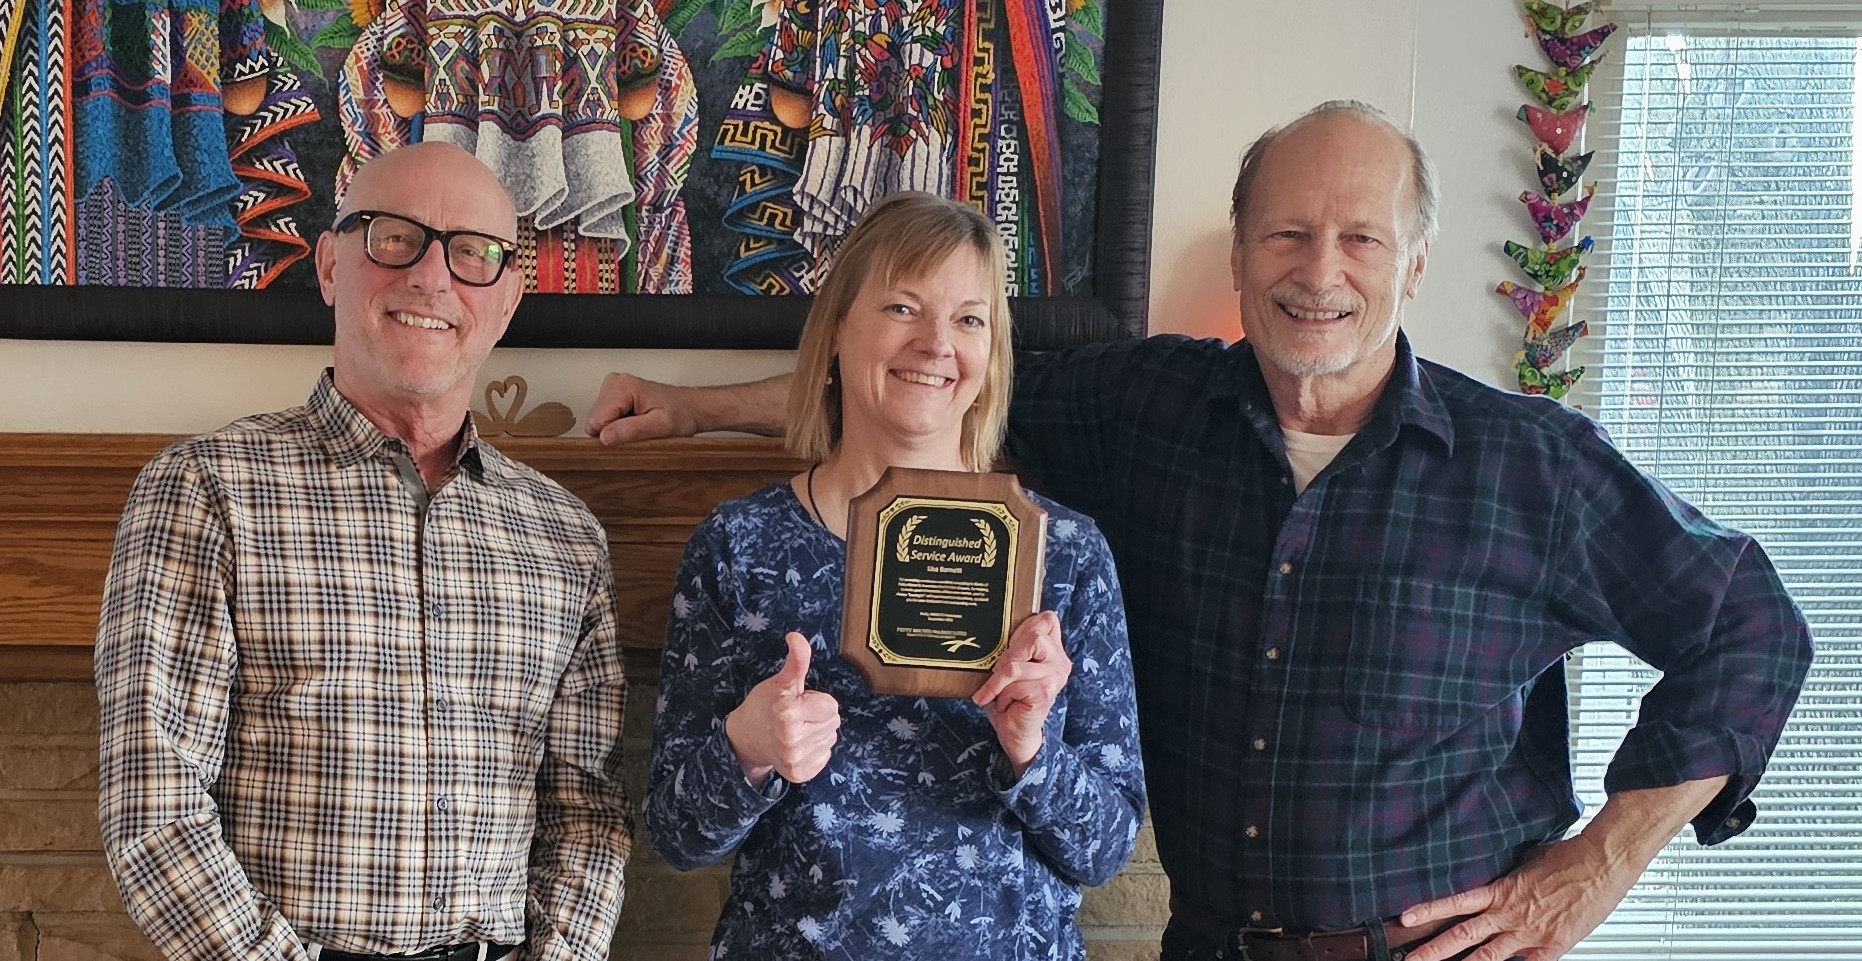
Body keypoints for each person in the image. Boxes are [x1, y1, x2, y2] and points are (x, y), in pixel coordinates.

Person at [589, 102, 1814, 961]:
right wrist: (697, 406)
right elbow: (918, 383)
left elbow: (1752, 628)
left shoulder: (1530, 467)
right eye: (1283, 231)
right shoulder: (1149, 407)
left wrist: (1597, 862)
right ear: (1237, 251)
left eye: (1359, 237)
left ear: (1416, 261)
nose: (1316, 269)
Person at [95, 142, 632, 961]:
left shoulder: (567, 537)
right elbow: (153, 803)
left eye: (474, 254)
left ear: (510, 298)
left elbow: (588, 812)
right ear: (331, 265)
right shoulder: (206, 490)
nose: (430, 276)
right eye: (393, 237)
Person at [644, 191, 1146, 960]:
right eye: (904, 307)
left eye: (969, 319)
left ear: (992, 352)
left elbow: (1107, 848)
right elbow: (678, 836)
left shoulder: (1066, 555)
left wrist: (1032, 749)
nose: (937, 343)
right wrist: (746, 746)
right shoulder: (737, 545)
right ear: (839, 327)